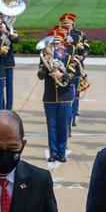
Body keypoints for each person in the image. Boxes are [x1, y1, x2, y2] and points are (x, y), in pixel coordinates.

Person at [38, 32, 79, 163]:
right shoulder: (44, 58)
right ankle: (53, 153)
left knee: (63, 126)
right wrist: (45, 65)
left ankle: (61, 153)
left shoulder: (67, 58)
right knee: (52, 127)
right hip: (50, 97)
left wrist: (61, 75)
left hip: (64, 97)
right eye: (52, 44)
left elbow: (72, 74)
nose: (55, 45)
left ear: (62, 43)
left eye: (57, 43)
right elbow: (40, 76)